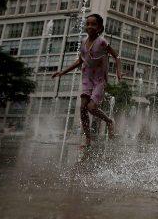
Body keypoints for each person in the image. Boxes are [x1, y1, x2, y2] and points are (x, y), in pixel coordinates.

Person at [52, 13, 122, 148]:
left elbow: (117, 56)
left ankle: (108, 121)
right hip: (87, 77)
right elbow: (80, 61)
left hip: (100, 80)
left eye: (93, 24)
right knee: (82, 108)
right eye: (88, 24)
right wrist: (62, 72)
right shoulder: (84, 42)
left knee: (91, 107)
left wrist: (118, 71)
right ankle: (88, 139)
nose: (90, 26)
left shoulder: (102, 42)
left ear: (100, 27)